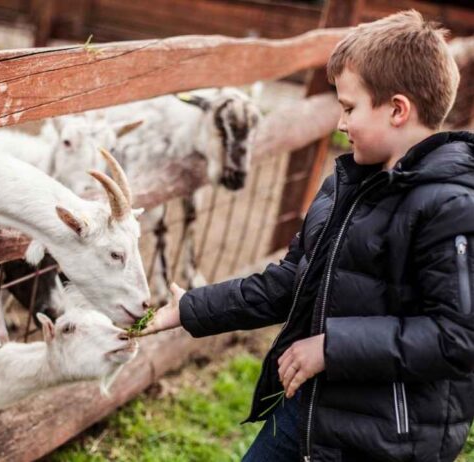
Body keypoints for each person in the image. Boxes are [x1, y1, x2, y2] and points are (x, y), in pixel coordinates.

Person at [141, 9, 474, 462]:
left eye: (349, 108)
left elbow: (456, 337)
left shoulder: (451, 207)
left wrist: (331, 348)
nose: (340, 122)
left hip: (388, 439)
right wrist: (192, 308)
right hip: (309, 410)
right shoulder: (346, 184)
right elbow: (292, 281)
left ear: (397, 109)